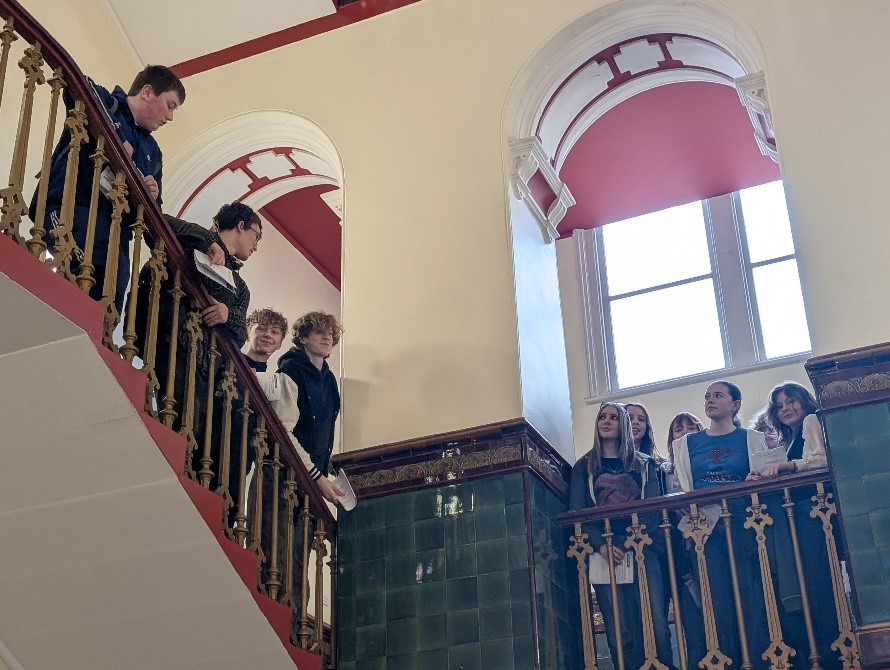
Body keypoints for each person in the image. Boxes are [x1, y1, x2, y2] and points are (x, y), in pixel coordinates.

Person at [31, 65, 185, 314]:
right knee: (77, 281)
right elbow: (76, 85)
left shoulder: (153, 153)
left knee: (110, 304)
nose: (170, 117)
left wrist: (152, 195)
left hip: (116, 236)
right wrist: (114, 137)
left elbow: (153, 213)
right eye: (170, 105)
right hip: (73, 207)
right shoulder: (106, 101)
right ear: (147, 92)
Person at [131, 202, 260, 442]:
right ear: (241, 225)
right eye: (257, 236)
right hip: (170, 337)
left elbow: (242, 333)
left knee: (194, 427)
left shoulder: (241, 287)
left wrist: (227, 314)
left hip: (205, 362)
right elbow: (156, 221)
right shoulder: (195, 240)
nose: (256, 246)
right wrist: (208, 240)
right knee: (173, 411)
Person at [672, 380, 770, 670]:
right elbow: (682, 485)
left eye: (718, 395)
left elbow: (761, 479)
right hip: (704, 530)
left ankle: (756, 660)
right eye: (707, 397)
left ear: (735, 404)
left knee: (750, 597)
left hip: (743, 525)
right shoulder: (686, 444)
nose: (710, 401)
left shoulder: (751, 439)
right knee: (717, 601)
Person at [569, 402, 673, 670]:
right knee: (618, 630)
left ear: (623, 423)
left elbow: (653, 509)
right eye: (602, 417)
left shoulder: (645, 465)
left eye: (613, 417)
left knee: (656, 622)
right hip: (603, 554)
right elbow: (577, 513)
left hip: (643, 549)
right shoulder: (584, 467)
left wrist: (628, 543)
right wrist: (600, 545)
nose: (606, 421)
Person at [260, 311, 345, 636]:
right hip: (283, 477)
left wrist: (328, 471)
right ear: (303, 337)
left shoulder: (329, 380)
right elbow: (284, 432)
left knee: (299, 562)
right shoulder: (290, 371)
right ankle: (281, 627)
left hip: (308, 481)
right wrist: (317, 477)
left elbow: (323, 433)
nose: (327, 337)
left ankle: (295, 630)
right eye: (319, 332)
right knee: (279, 556)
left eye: (330, 334)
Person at [757, 381, 839, 669]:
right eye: (779, 405)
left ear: (803, 401)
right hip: (800, 515)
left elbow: (821, 460)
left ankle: (832, 652)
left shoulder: (811, 421)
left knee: (819, 583)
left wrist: (789, 466)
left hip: (814, 512)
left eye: (790, 401)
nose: (786, 408)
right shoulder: (790, 439)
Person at [243, 308, 288, 373]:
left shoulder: (274, 378)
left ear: (280, 343)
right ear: (247, 333)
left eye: (274, 332)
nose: (268, 335)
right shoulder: (230, 363)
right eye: (262, 328)